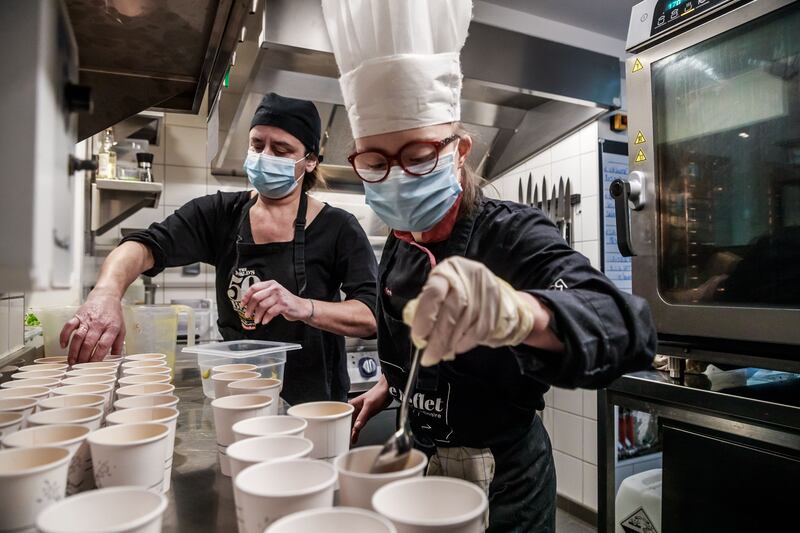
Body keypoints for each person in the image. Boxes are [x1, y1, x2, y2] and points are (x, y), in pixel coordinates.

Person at [322, 1, 657, 531]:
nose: (396, 178)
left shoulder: (512, 232)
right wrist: (393, 382)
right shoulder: (401, 239)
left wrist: (518, 313)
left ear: (459, 151)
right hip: (419, 463)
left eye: (418, 155)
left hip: (504, 478)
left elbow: (625, 327)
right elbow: (413, 340)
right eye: (375, 162)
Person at [60, 93, 378, 405]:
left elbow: (372, 315)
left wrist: (303, 307)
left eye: (281, 150)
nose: (265, 156)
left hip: (315, 404)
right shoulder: (219, 214)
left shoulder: (338, 227)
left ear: (309, 161)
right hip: (240, 396)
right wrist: (106, 292)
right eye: (257, 145)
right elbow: (144, 247)